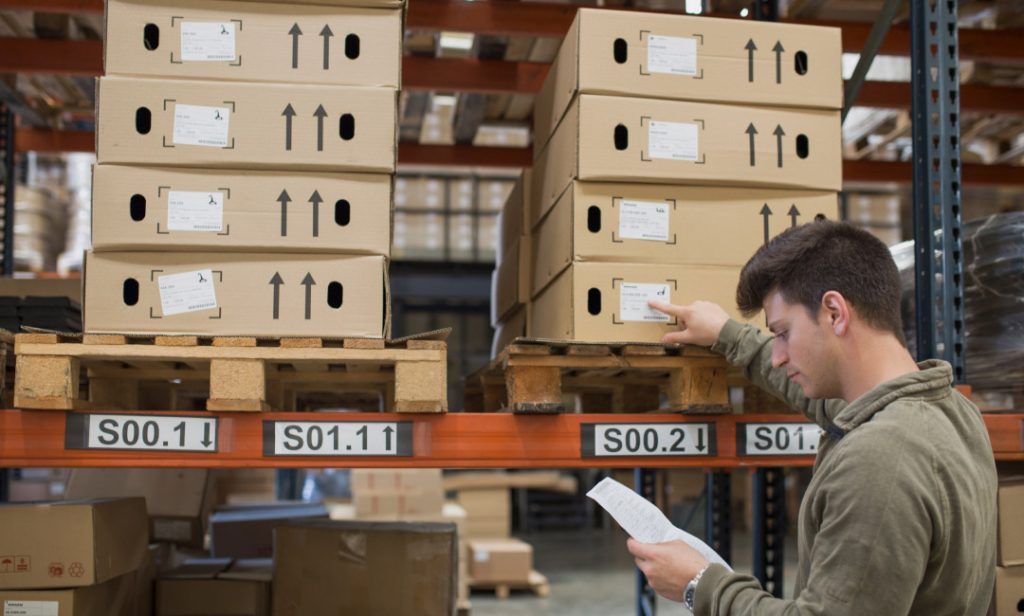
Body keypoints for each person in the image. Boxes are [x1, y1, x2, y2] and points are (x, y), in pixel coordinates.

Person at [629, 220, 996, 615]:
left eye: (783, 333)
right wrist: (727, 335)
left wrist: (699, 584)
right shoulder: (951, 411)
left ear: (835, 313)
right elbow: (825, 405)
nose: (777, 356)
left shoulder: (881, 457)